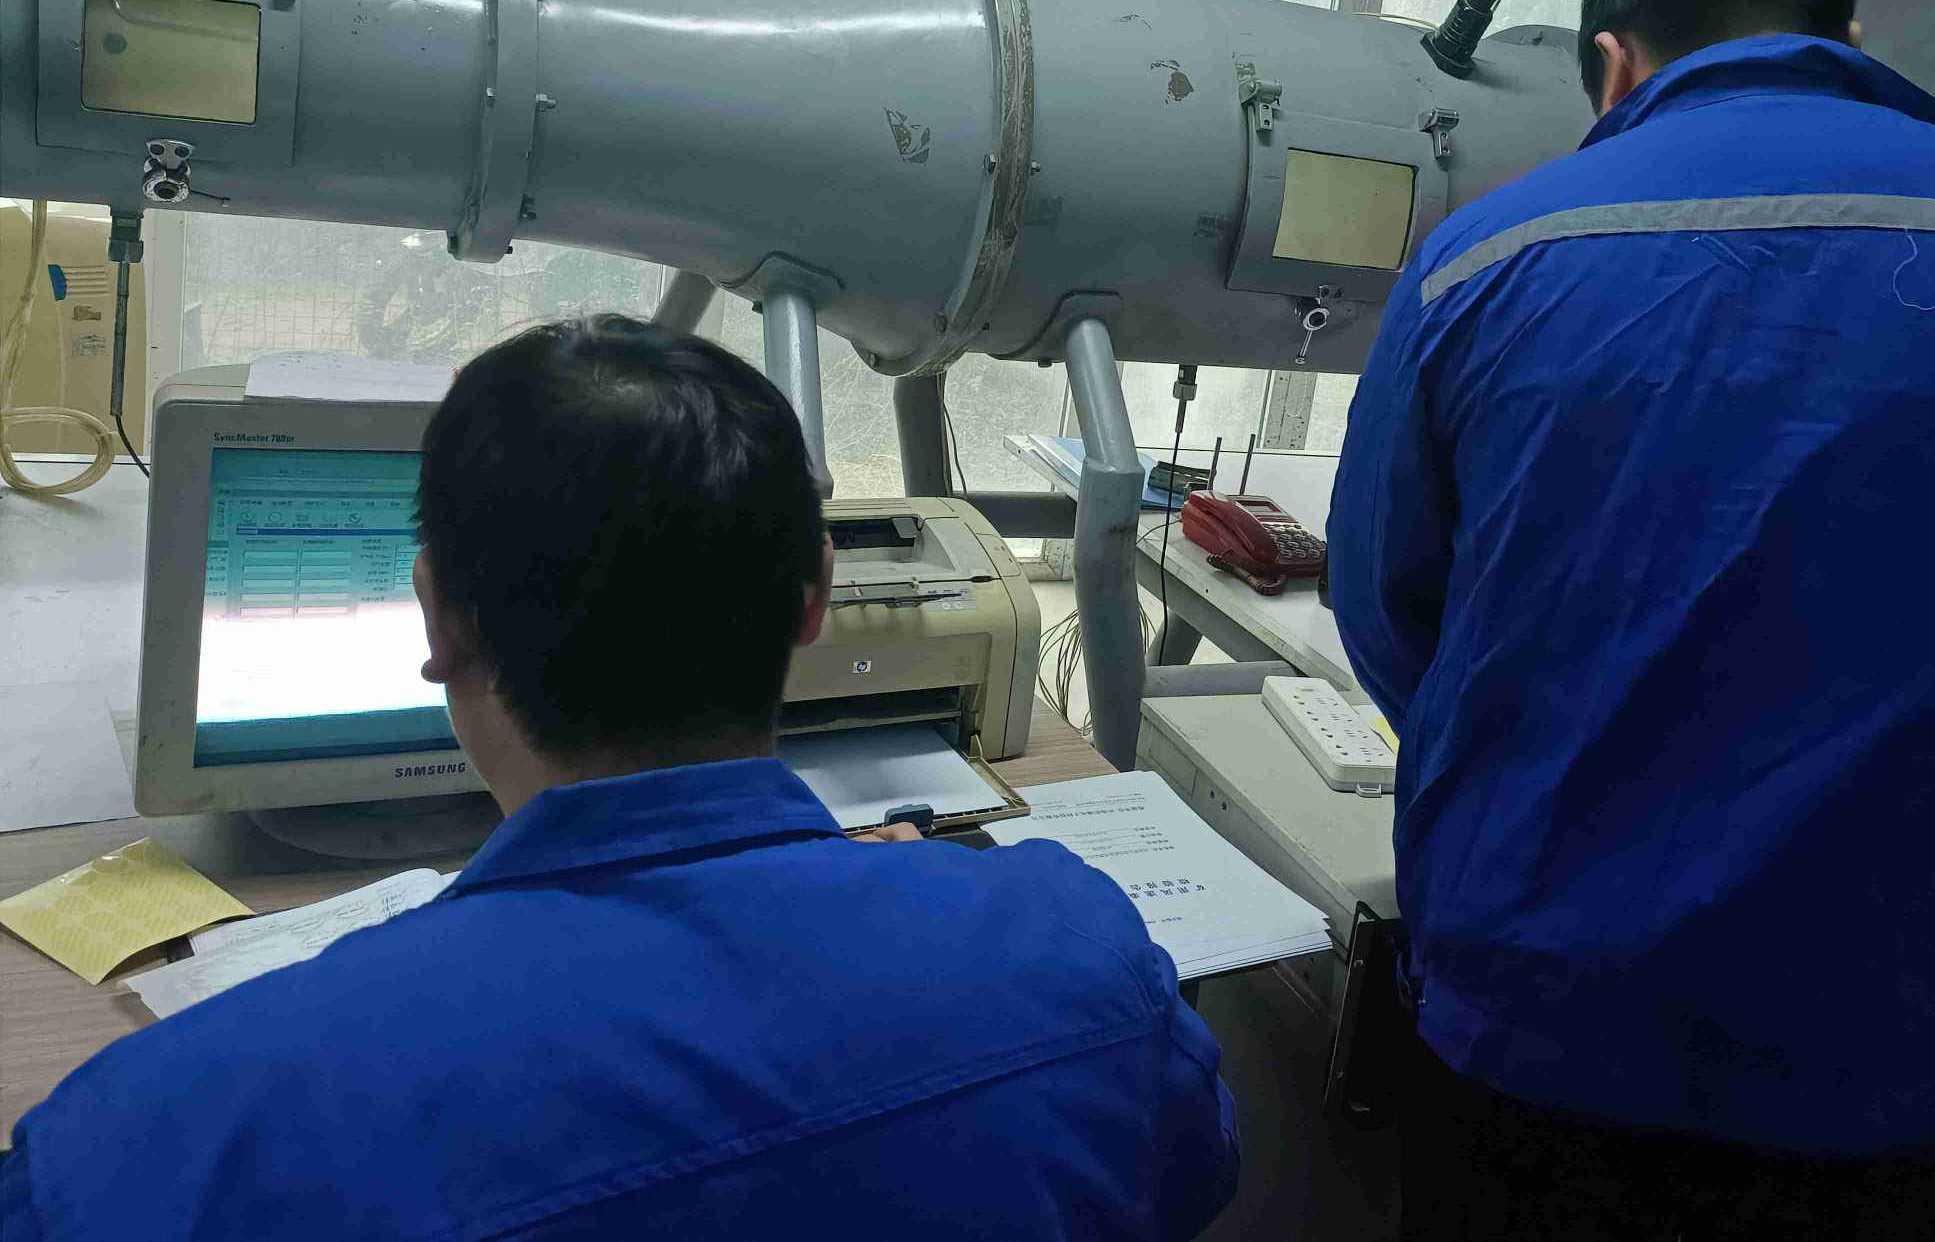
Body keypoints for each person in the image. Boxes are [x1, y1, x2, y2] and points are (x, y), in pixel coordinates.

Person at [1330, 0, 1935, 1240]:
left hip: (1532, 1015)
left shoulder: (1480, 257)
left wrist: (1519, 793)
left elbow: (1389, 609)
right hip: (1898, 1050)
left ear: (1614, 65)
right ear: (1849, 41)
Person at [2, 316, 1237, 1241]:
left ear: (438, 617)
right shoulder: (1079, 959)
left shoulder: (149, 1145)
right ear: (813, 599)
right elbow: (1189, 1178)